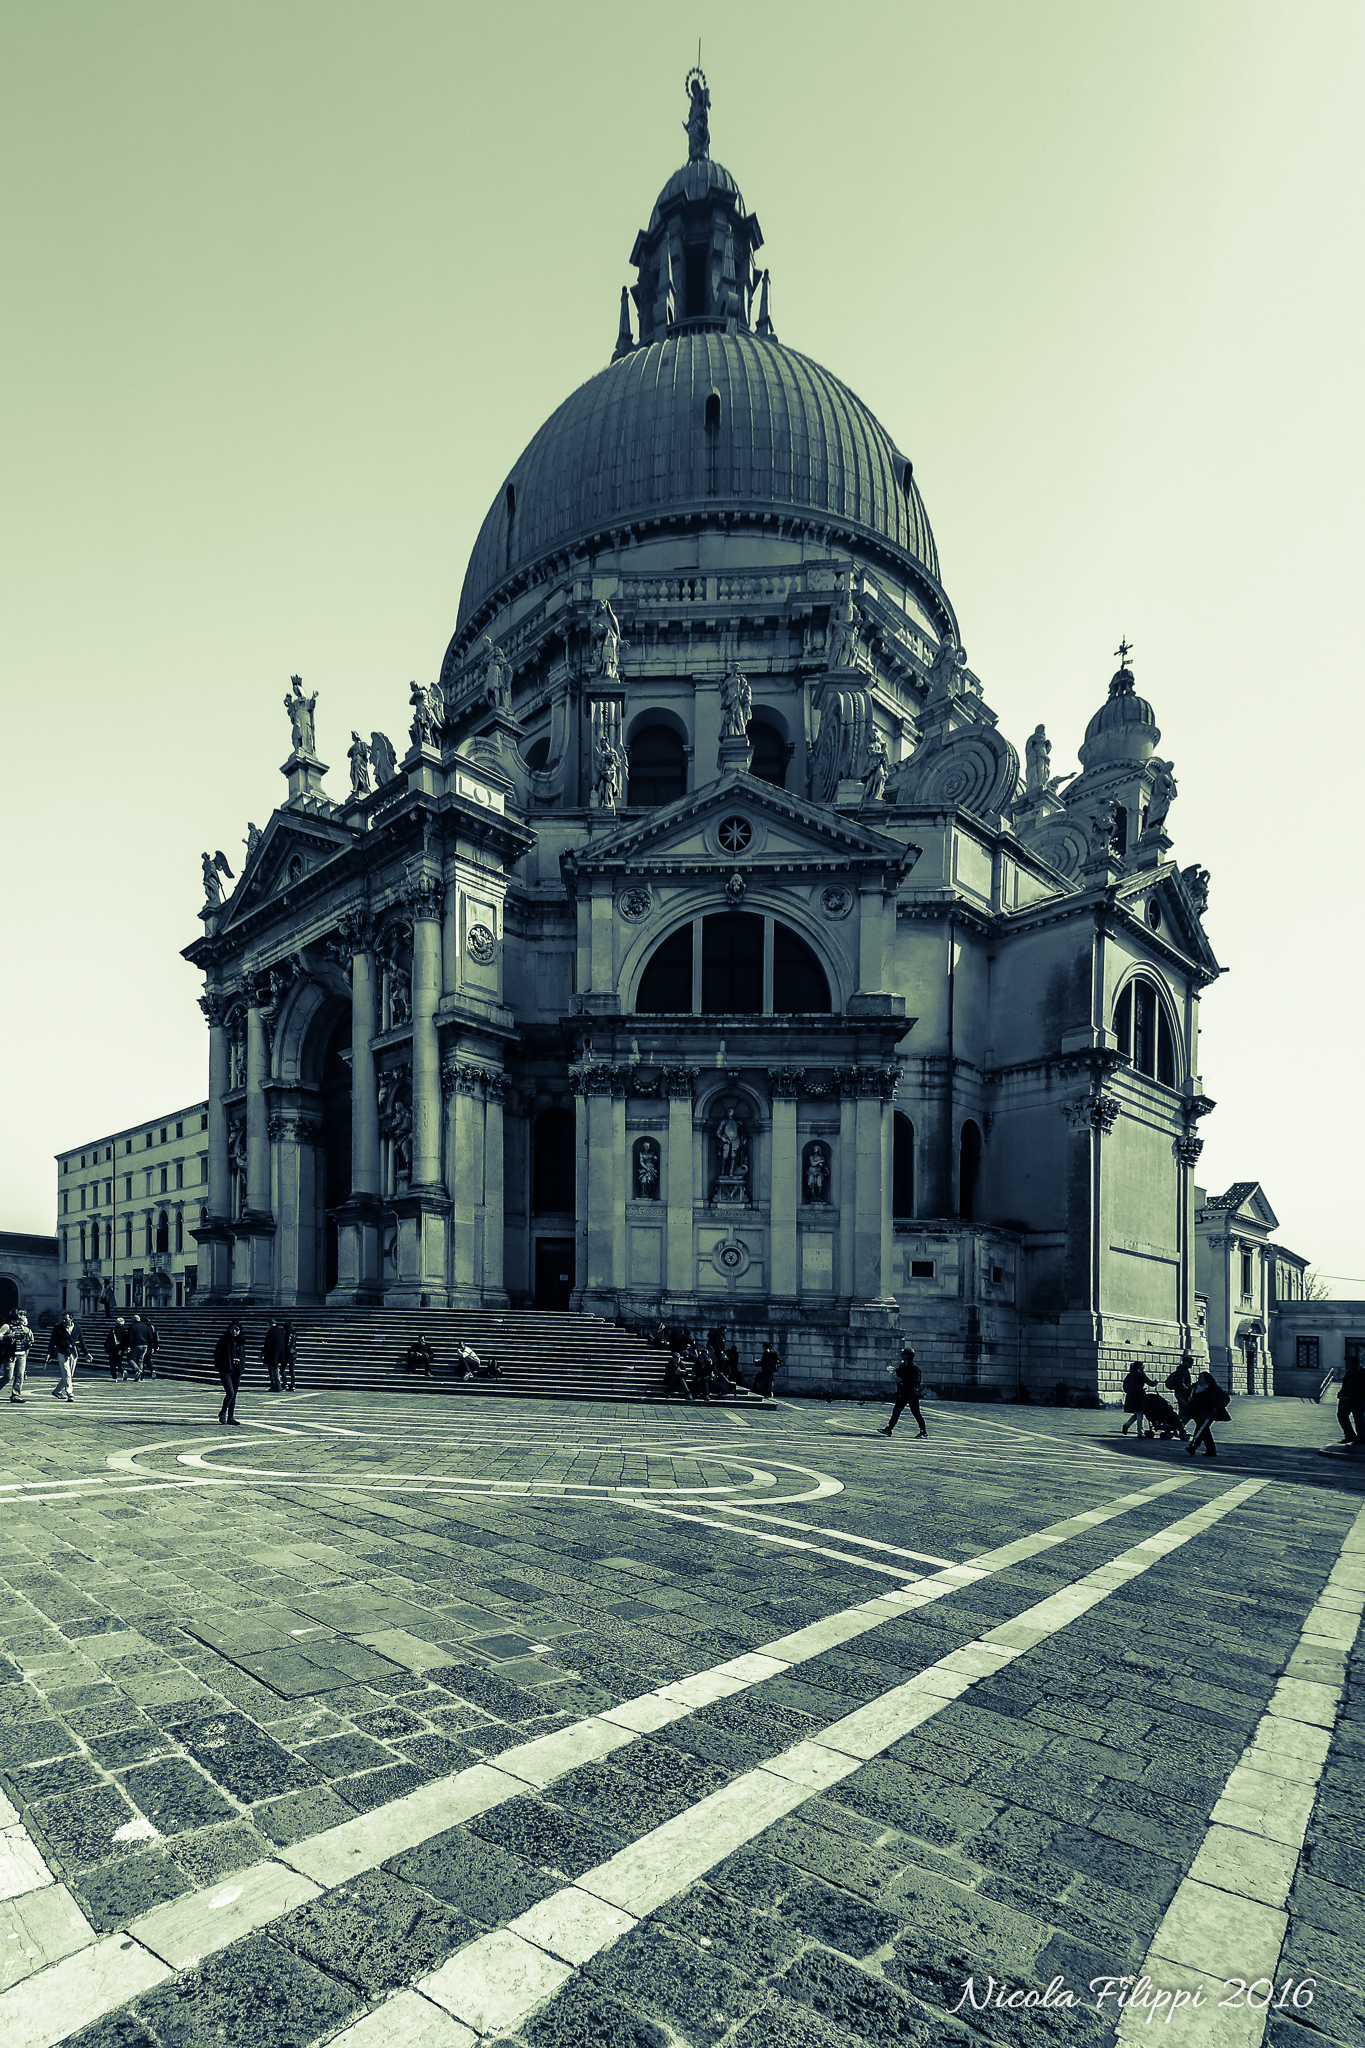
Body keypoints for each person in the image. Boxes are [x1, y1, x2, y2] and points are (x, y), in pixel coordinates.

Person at [881, 1345, 927, 1437]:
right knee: (896, 1410)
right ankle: (889, 1429)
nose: (901, 1355)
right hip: (903, 1393)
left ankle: (923, 1431)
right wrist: (893, 1371)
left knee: (916, 1412)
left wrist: (902, 1380)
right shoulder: (903, 1365)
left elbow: (916, 1381)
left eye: (904, 1354)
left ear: (908, 1356)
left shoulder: (915, 1368)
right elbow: (899, 1374)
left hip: (911, 1394)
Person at [1185, 1369, 1230, 1459]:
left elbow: (1226, 1398)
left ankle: (1193, 1447)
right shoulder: (1194, 1387)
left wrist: (1217, 1407)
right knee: (1205, 1431)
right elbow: (1188, 1396)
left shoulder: (1213, 1388)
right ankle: (1211, 1450)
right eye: (1198, 1377)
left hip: (1209, 1413)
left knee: (1200, 1430)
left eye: (1201, 1377)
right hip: (1197, 1413)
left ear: (1207, 1379)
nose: (1198, 1378)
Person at [47, 1314, 89, 1402]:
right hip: (62, 1352)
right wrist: (48, 1353)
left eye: (66, 1319)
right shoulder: (58, 1328)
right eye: (63, 1319)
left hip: (73, 1352)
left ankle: (57, 1390)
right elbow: (52, 1341)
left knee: (69, 1375)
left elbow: (81, 1340)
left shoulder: (77, 1327)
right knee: (67, 1373)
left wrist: (87, 1353)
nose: (64, 1321)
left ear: (71, 1319)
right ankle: (70, 1393)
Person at [214, 1320, 245, 1425]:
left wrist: (241, 1365)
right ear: (229, 1329)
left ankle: (230, 1417)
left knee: (234, 1394)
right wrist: (223, 1365)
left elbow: (242, 1355)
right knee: (230, 1393)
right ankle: (222, 1413)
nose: (235, 1331)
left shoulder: (240, 1341)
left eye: (237, 1329)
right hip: (226, 1370)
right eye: (233, 1329)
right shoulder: (223, 1340)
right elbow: (217, 1354)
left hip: (237, 1370)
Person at [3, 1313, 34, 1402]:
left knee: (19, 1375)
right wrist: (7, 1336)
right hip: (11, 1354)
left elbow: (30, 1342)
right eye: (22, 1315)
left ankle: (15, 1395)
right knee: (8, 1377)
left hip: (22, 1354)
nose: (25, 1317)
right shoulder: (7, 1326)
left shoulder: (26, 1329)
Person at [1336, 1355, 1365, 1447]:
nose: (1348, 1366)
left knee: (1359, 1419)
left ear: (1356, 1363)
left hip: (1358, 1400)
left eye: (1350, 1364)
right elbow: (1345, 1384)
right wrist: (1341, 1393)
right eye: (1347, 1364)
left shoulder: (1363, 1373)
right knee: (1341, 1416)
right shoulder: (1348, 1373)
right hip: (1345, 1399)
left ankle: (1361, 1437)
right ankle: (1349, 1435)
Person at [1120, 1363, 1154, 1436]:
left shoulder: (1130, 1374)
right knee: (1139, 1414)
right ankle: (1140, 1432)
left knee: (1136, 1414)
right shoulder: (1141, 1374)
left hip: (1131, 1396)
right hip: (1139, 1396)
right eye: (1142, 1366)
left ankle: (1127, 1425)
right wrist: (1155, 1382)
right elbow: (1150, 1383)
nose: (1143, 1367)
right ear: (1139, 1367)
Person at [1165, 1355, 1195, 1429]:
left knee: (1183, 1411)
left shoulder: (1183, 1369)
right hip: (1181, 1393)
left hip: (1180, 1393)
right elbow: (1180, 1383)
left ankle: (1177, 1426)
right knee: (1187, 1410)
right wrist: (1188, 1390)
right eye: (1189, 1362)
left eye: (1192, 1363)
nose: (1191, 1364)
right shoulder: (1183, 1370)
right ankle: (1178, 1426)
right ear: (1184, 1362)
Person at [262, 1317, 288, 1393]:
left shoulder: (271, 1331)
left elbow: (268, 1343)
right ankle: (276, 1385)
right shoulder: (281, 1330)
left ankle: (276, 1385)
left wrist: (263, 1353)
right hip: (280, 1353)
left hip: (272, 1354)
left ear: (269, 1323)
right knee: (276, 1369)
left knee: (273, 1371)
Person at [281, 1320, 297, 1392]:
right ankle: (292, 1384)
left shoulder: (288, 1334)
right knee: (291, 1370)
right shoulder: (294, 1333)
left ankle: (285, 1383)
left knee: (282, 1368)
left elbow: (288, 1344)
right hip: (294, 1353)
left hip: (288, 1353)